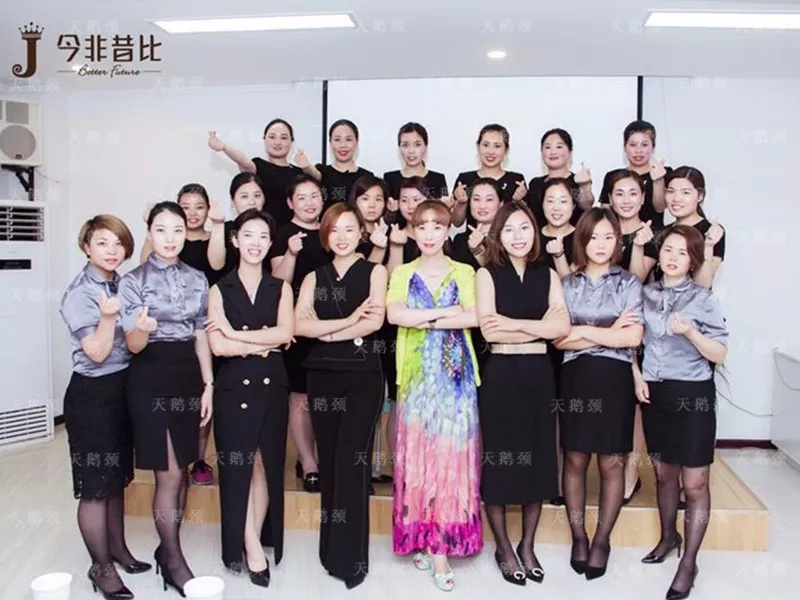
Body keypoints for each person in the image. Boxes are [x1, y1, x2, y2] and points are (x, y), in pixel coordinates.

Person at [118, 202, 214, 595]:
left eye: (177, 230)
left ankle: (167, 549)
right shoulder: (133, 281)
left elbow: (200, 333)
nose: (170, 238)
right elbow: (132, 345)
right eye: (161, 230)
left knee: (183, 470)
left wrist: (208, 384)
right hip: (150, 377)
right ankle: (173, 560)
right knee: (169, 473)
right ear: (149, 233)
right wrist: (142, 329)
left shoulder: (197, 278)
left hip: (188, 375)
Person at [387, 200, 482, 592]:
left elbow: (474, 316)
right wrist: (445, 314)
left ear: (447, 231)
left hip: (455, 378)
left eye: (436, 226)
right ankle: (424, 535)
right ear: (412, 231)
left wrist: (422, 317)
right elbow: (394, 315)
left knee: (450, 459)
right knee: (419, 458)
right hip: (415, 377)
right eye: (422, 226)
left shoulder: (465, 271)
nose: (428, 233)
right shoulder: (402, 272)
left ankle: (442, 546)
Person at [475, 201, 571, 586]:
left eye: (525, 228)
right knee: (498, 460)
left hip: (539, 374)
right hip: (500, 373)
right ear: (498, 234)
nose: (518, 236)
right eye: (509, 229)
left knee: (539, 458)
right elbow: (489, 330)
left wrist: (513, 323)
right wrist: (537, 326)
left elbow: (561, 328)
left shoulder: (547, 274)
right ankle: (503, 547)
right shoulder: (486, 274)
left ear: (535, 232)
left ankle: (527, 545)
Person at [295, 202, 388, 588]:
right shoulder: (313, 277)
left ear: (361, 232)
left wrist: (327, 332)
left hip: (363, 376)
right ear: (325, 235)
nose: (343, 236)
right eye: (334, 230)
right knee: (330, 462)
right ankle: (330, 549)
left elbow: (375, 320)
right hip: (321, 377)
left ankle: (351, 559)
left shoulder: (375, 271)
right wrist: (348, 323)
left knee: (352, 462)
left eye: (350, 228)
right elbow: (300, 325)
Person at [635, 225, 728, 600]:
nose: (673, 257)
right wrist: (636, 375)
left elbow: (720, 353)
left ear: (693, 261)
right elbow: (631, 343)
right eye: (667, 250)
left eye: (682, 252)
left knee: (696, 483)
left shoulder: (703, 299)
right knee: (664, 475)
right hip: (655, 393)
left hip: (693, 395)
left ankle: (689, 562)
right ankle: (667, 537)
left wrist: (691, 333)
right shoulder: (645, 294)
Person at [59, 215, 148, 600]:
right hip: (92, 396)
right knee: (95, 487)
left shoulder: (120, 283)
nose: (112, 250)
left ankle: (118, 550)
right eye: (102, 243)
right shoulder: (80, 292)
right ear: (86, 247)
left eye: (118, 243)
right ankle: (101, 568)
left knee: (115, 480)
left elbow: (134, 342)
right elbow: (96, 352)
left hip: (121, 391)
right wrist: (109, 317)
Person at [205, 209, 294, 587]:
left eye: (262, 236)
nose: (255, 243)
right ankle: (252, 548)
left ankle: (252, 539)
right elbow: (218, 347)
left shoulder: (281, 288)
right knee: (237, 465)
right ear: (235, 240)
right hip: (232, 387)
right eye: (248, 235)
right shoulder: (219, 289)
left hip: (272, 384)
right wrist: (260, 342)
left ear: (270, 243)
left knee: (264, 464)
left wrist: (236, 335)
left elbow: (285, 334)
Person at [554, 207, 643, 581]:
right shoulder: (567, 285)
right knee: (575, 460)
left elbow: (633, 337)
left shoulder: (629, 283)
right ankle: (578, 536)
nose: (601, 244)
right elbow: (559, 339)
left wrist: (584, 332)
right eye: (594, 237)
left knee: (611, 463)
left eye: (609, 237)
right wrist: (609, 331)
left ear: (618, 241)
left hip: (615, 380)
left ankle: (602, 540)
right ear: (582, 240)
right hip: (576, 378)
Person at [141, 183, 223, 487]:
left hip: (202, 329)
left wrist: (218, 225)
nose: (192, 213)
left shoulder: (210, 245)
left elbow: (217, 264)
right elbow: (144, 266)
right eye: (185, 207)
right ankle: (177, 464)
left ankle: (198, 459)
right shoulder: (166, 244)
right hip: (161, 345)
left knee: (202, 400)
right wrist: (151, 228)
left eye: (199, 206)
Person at [268, 174, 330, 492]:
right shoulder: (283, 235)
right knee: (302, 397)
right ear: (290, 203)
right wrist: (291, 254)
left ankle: (317, 455)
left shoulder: (332, 229)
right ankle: (308, 463)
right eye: (301, 197)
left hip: (335, 327)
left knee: (327, 397)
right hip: (297, 327)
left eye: (314, 196)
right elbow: (278, 283)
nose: (309, 203)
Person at [208, 119, 304, 227]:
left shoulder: (300, 173)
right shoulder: (259, 166)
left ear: (292, 141)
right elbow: (244, 162)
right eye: (272, 137)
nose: (277, 142)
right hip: (262, 231)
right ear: (264, 140)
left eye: (284, 138)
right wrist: (224, 147)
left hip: (292, 232)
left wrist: (308, 167)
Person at [657, 166, 725, 288]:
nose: (676, 198)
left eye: (685, 193)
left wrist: (708, 246)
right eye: (671, 191)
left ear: (700, 196)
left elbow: (703, 286)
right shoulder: (662, 232)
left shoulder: (711, 231)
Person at [451, 124, 527, 228]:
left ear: (506, 150)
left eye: (497, 146)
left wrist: (519, 201)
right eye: (486, 145)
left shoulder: (515, 181)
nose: (491, 151)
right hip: (473, 237)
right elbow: (456, 223)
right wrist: (461, 203)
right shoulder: (467, 180)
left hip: (507, 237)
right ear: (478, 147)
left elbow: (526, 219)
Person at [600, 120, 669, 229]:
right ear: (624, 147)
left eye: (644, 145)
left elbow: (660, 208)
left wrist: (658, 181)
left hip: (654, 233)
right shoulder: (613, 176)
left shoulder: (663, 172)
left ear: (653, 147)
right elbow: (605, 212)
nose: (638, 151)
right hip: (620, 234)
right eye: (633, 145)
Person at [524, 128, 594, 228]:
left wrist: (584, 185)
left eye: (559, 147)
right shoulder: (536, 184)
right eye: (548, 147)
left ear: (570, 152)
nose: (553, 152)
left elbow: (586, 206)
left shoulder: (577, 182)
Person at [383, 122, 449, 228]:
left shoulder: (439, 179)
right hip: (397, 235)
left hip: (430, 236)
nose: (411, 151)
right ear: (399, 148)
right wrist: (391, 212)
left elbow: (445, 214)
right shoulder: (389, 178)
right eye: (405, 145)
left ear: (426, 147)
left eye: (417, 145)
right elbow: (386, 219)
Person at [296, 119, 373, 208]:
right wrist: (307, 166)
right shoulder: (322, 171)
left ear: (356, 142)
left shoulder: (366, 176)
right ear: (330, 142)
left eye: (348, 139)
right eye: (337, 139)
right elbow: (315, 174)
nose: (343, 145)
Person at [207, 173, 267, 276]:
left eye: (257, 195)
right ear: (233, 200)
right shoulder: (226, 229)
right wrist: (217, 224)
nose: (252, 202)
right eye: (244, 196)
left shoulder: (271, 228)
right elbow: (216, 265)